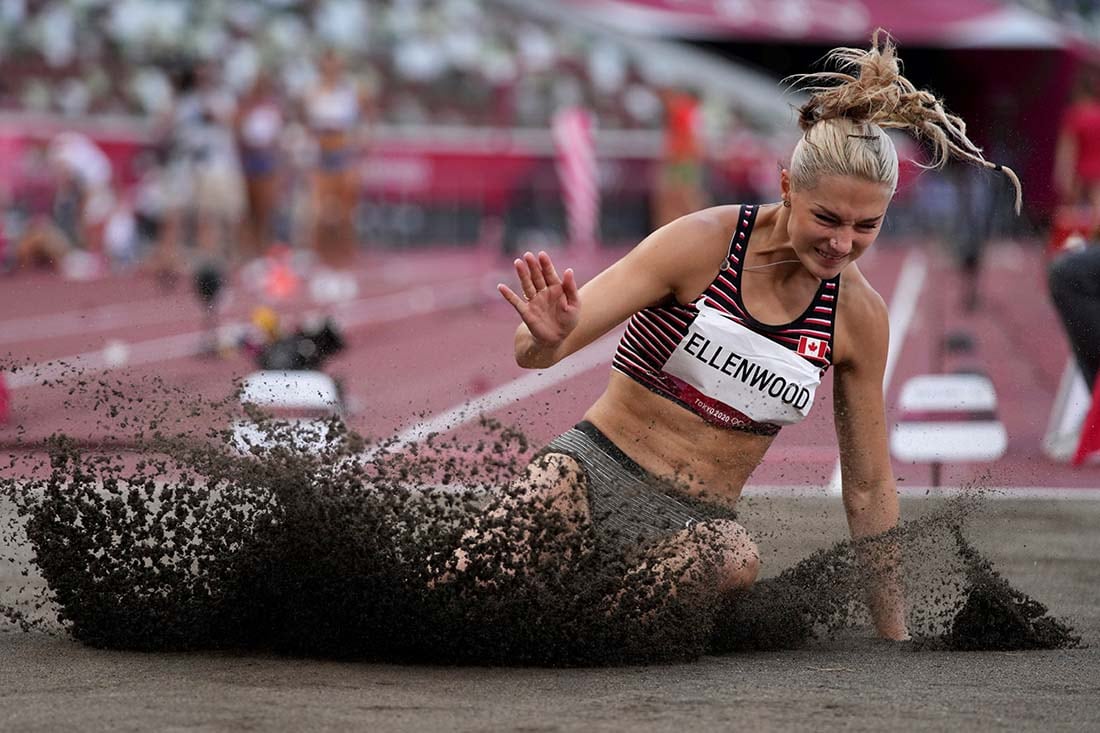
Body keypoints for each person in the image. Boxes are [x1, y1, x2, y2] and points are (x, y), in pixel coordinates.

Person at [458, 31, 1022, 641]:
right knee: (465, 583)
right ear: (786, 188)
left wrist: (895, 633)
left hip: (694, 528)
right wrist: (549, 336)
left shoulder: (856, 316)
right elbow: (532, 351)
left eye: (867, 226)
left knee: (735, 559)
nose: (841, 244)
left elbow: (866, 484)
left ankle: (558, 634)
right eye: (827, 218)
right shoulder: (701, 243)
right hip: (591, 471)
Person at [302, 49, 369, 270]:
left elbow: (360, 124)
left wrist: (357, 151)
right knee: (319, 209)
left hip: (343, 152)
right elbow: (309, 126)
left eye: (335, 67)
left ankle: (346, 254)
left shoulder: (350, 92)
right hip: (322, 154)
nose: (332, 71)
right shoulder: (313, 92)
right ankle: (319, 254)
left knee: (347, 209)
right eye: (328, 67)